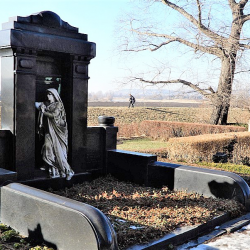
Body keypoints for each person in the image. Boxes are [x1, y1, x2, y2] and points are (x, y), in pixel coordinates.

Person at [35, 88, 74, 180]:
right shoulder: (46, 104)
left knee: (59, 151)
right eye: (47, 94)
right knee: (47, 147)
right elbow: (36, 104)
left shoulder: (58, 104)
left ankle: (68, 171)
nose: (48, 96)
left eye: (50, 94)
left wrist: (44, 112)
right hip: (49, 130)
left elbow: (54, 116)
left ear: (54, 95)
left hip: (58, 131)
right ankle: (50, 165)